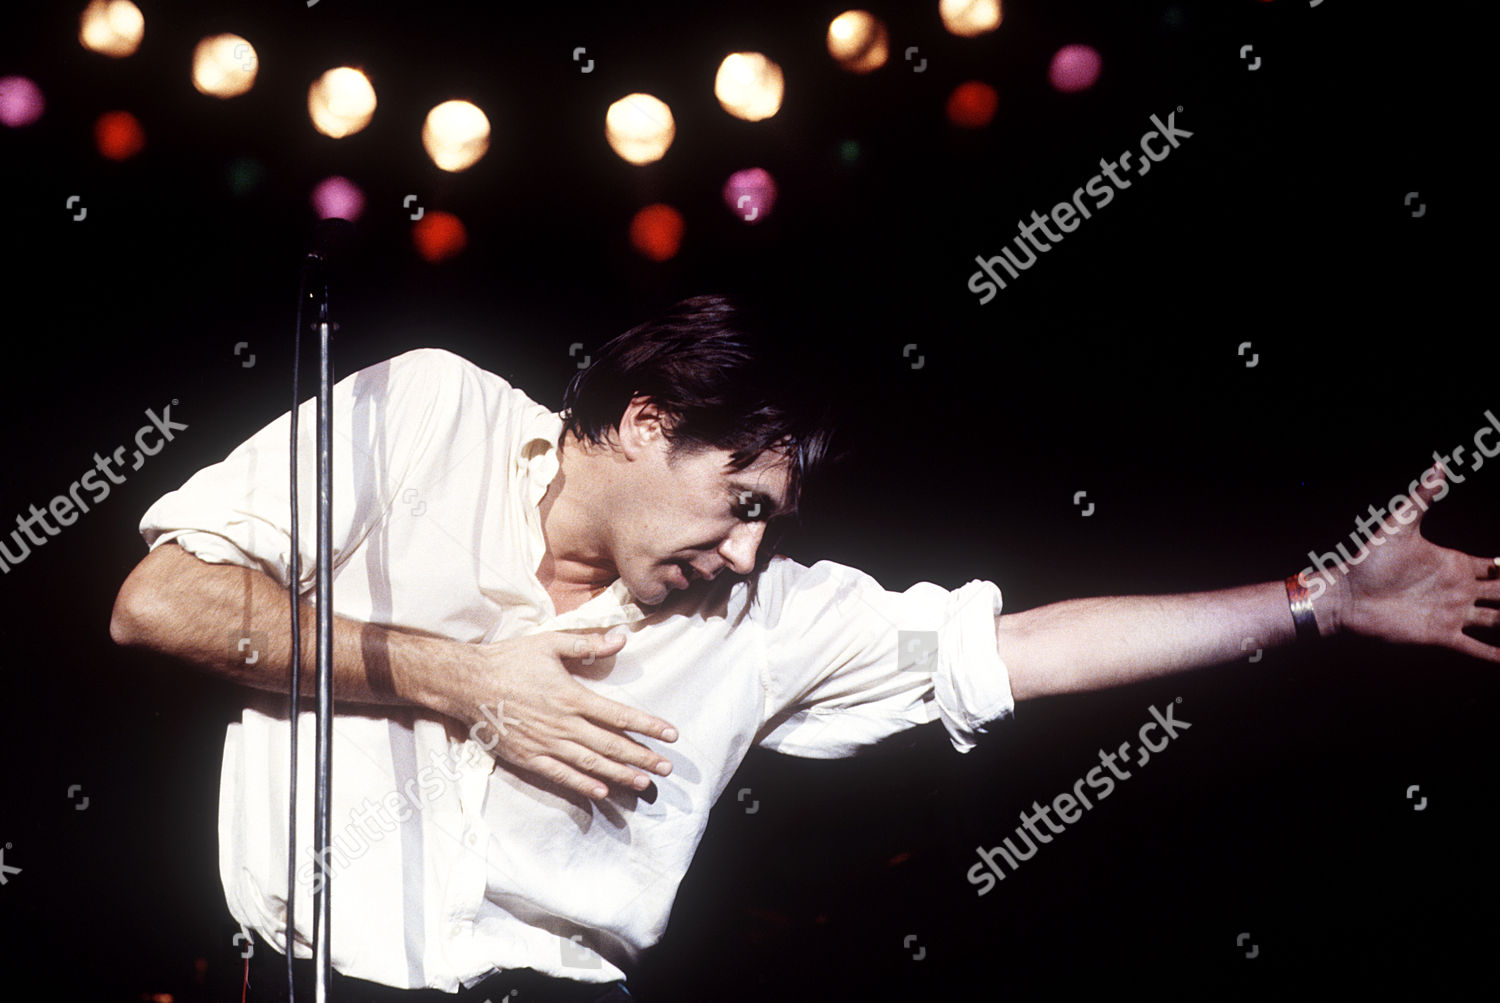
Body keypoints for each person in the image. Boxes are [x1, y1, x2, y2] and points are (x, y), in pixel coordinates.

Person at [109, 294, 1500, 1001]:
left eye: (775, 526)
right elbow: (158, 602)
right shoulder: (430, 415)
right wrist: (467, 676)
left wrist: (1321, 597)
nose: (748, 555)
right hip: (288, 978)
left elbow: (1017, 651)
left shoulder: (765, 620)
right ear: (651, 420)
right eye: (744, 505)